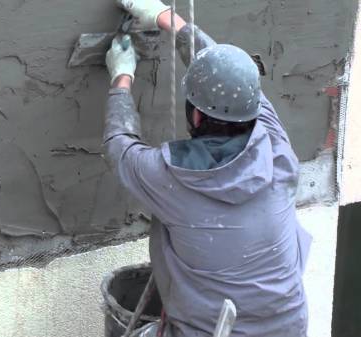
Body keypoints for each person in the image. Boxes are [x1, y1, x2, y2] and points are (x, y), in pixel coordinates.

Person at [103, 0, 312, 336]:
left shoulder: (170, 179)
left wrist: (122, 74)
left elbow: (119, 147)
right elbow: (226, 79)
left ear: (196, 116)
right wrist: (167, 18)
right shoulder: (277, 147)